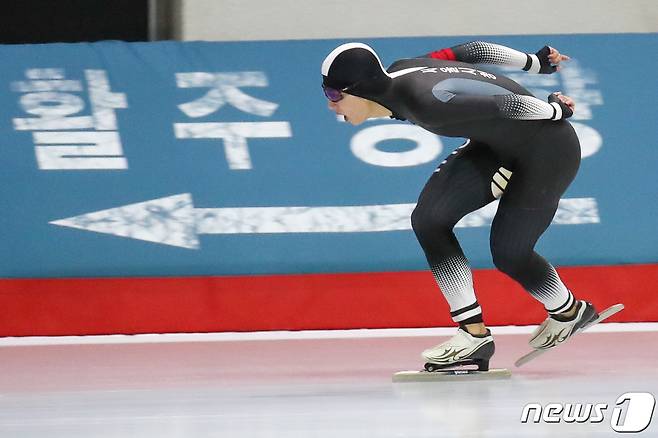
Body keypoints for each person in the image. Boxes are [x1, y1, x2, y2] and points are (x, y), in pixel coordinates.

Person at [321, 41, 599, 372]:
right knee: (429, 220)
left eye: (334, 94)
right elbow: (469, 52)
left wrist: (554, 111)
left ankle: (569, 312)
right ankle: (473, 335)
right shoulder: (400, 70)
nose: (330, 104)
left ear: (360, 90)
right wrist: (533, 63)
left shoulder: (426, 103)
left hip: (548, 149)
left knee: (510, 254)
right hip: (494, 145)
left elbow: (503, 105)